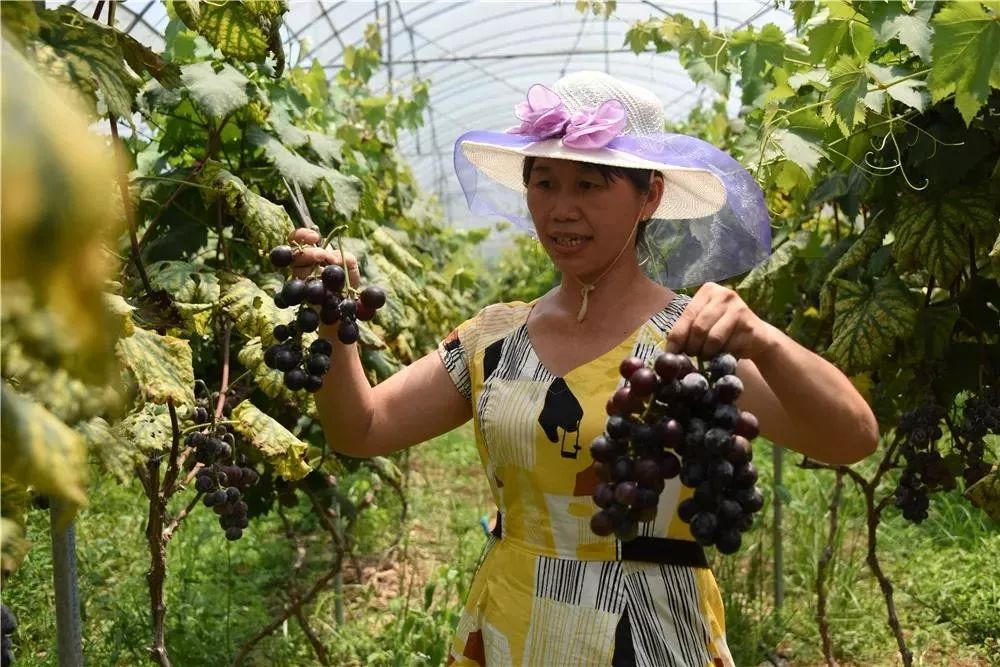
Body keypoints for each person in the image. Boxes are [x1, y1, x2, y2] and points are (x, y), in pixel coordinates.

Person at [292, 71, 878, 666]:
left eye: (590, 185)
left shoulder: (692, 342)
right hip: (515, 626)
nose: (561, 209)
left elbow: (851, 436)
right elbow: (360, 429)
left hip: (652, 636)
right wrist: (333, 319)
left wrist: (765, 342)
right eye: (544, 183)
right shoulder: (494, 338)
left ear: (649, 197)